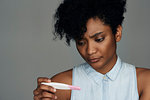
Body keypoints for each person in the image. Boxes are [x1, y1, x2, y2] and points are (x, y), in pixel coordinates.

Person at [33, 0, 150, 100]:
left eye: (99, 39)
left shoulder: (144, 82)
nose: (90, 51)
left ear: (117, 33)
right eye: (81, 42)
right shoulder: (61, 85)